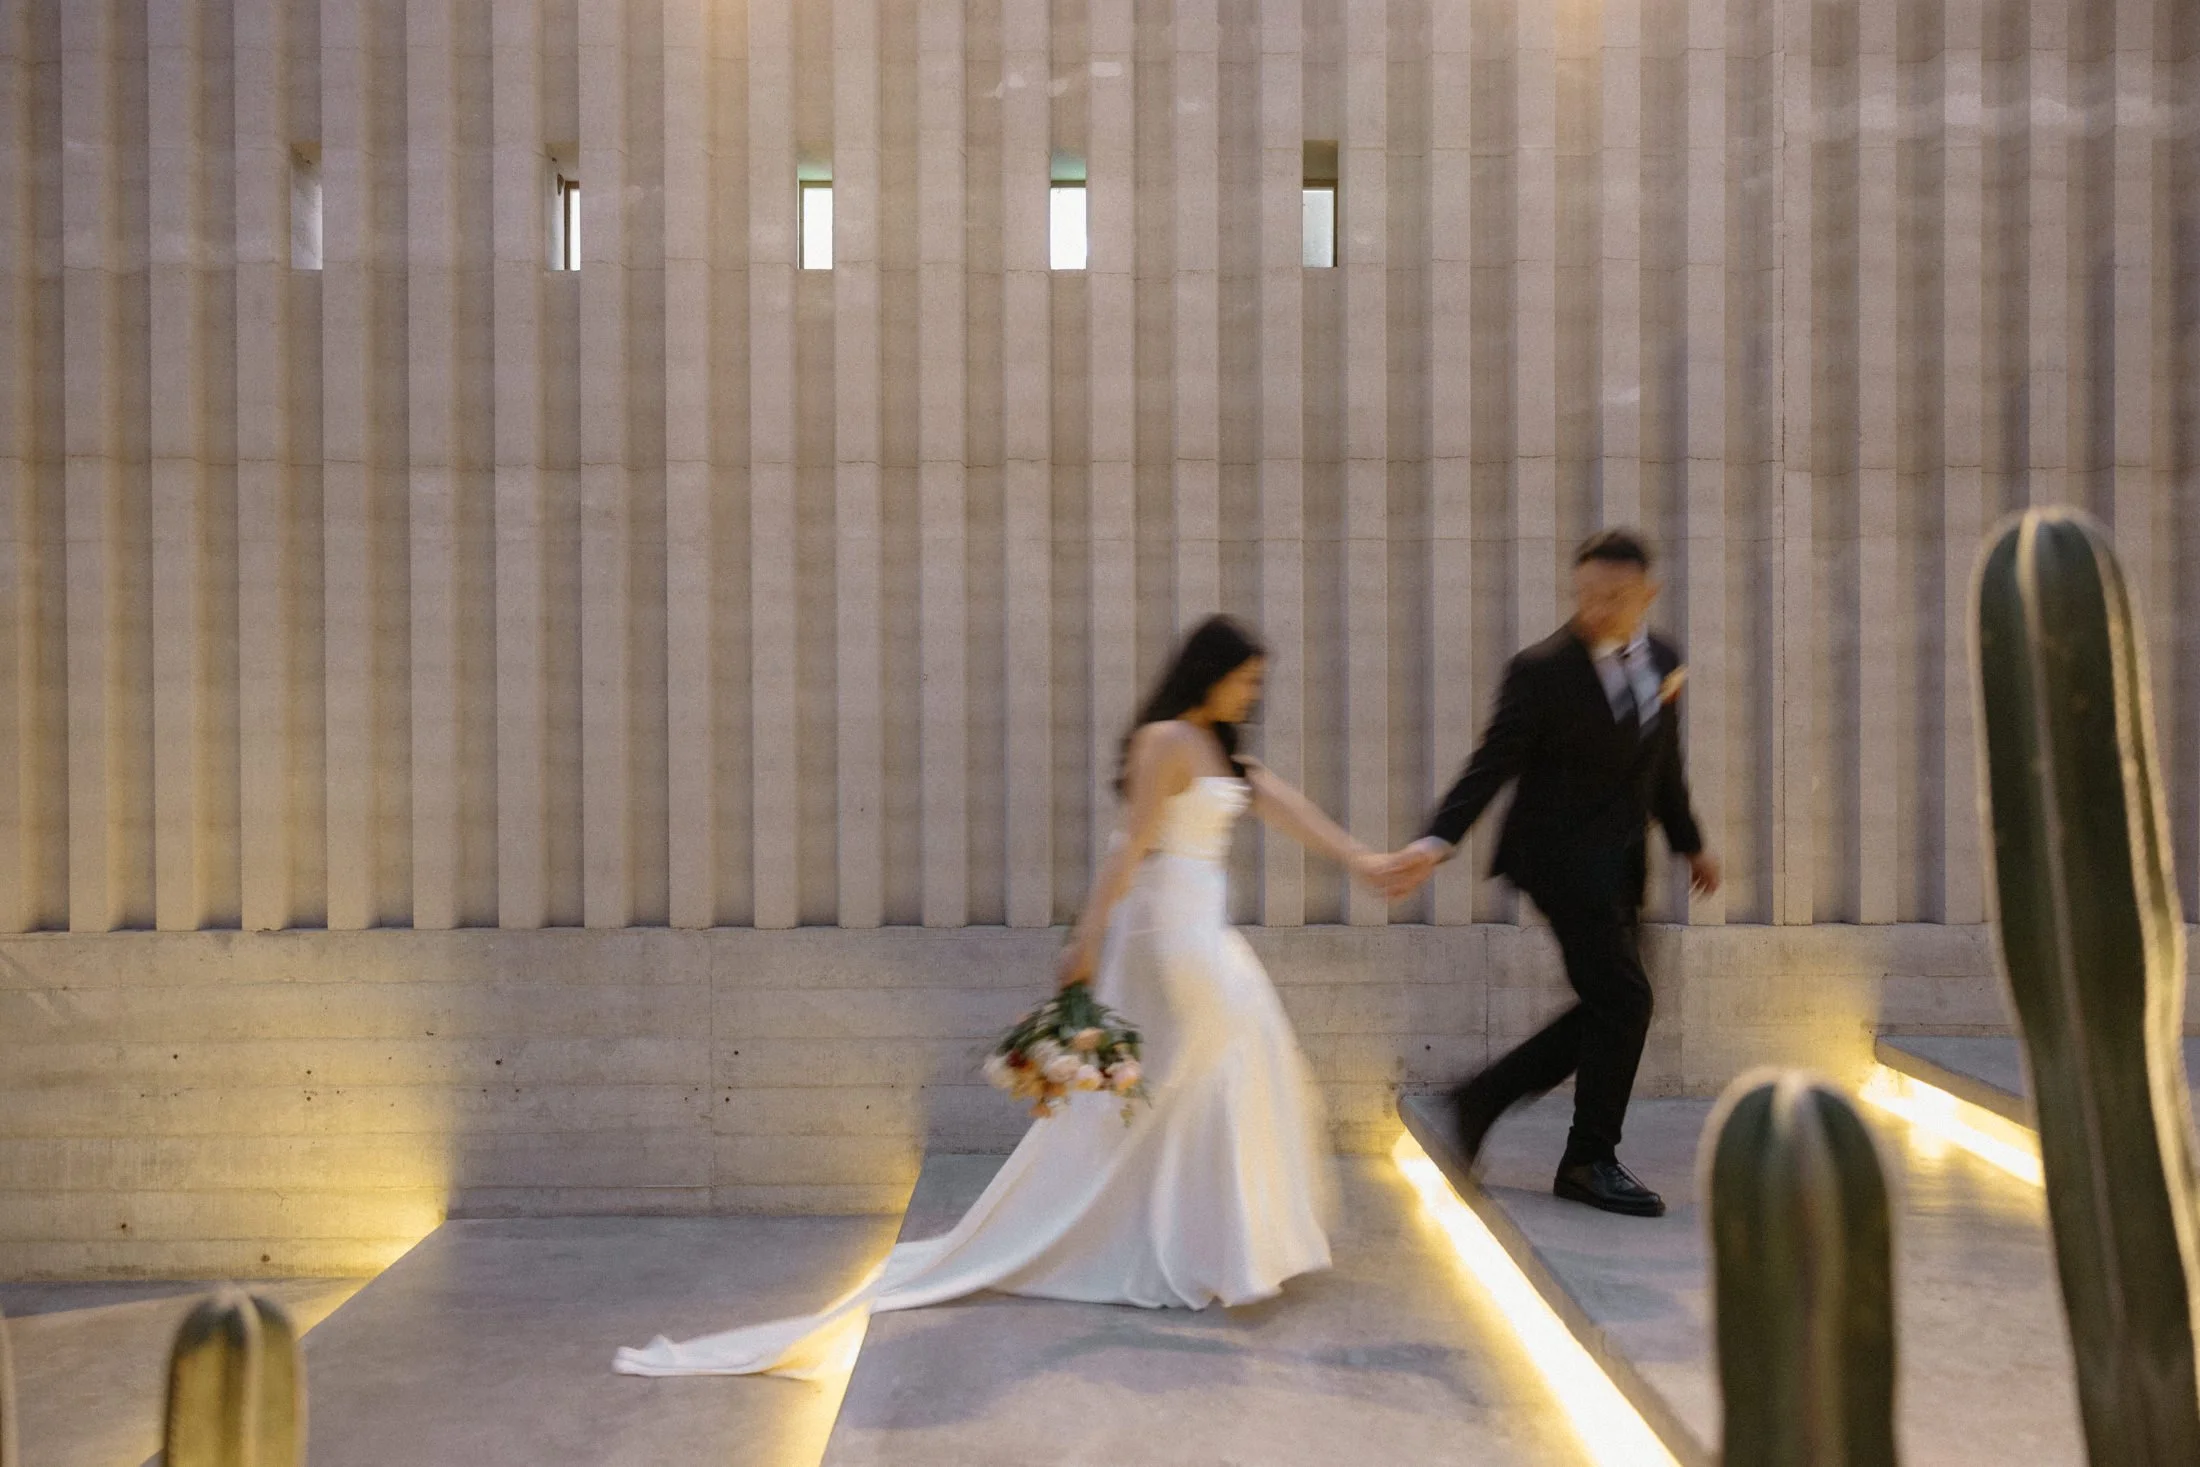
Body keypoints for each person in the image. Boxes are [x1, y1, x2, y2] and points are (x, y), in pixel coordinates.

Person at [615, 614, 1385, 1378]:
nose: (1253, 693)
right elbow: (1132, 844)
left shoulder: (1223, 752)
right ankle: (1206, 1244)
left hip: (1201, 922)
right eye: (1245, 678)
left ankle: (1207, 1240)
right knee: (1217, 1059)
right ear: (1209, 673)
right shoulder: (1166, 740)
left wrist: (1364, 860)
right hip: (1171, 930)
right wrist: (1085, 938)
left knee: (1213, 1067)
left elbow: (1280, 802)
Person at [1374, 530, 1721, 1218]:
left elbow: (1662, 767)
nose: (1596, 608)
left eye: (1614, 596)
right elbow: (1492, 763)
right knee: (1625, 1001)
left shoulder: (1664, 660)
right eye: (1586, 595)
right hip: (1555, 860)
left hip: (1622, 862)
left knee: (1611, 1006)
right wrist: (1436, 841)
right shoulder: (1541, 670)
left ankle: (1480, 1101)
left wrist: (1689, 842)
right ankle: (1588, 1159)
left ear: (1646, 594)